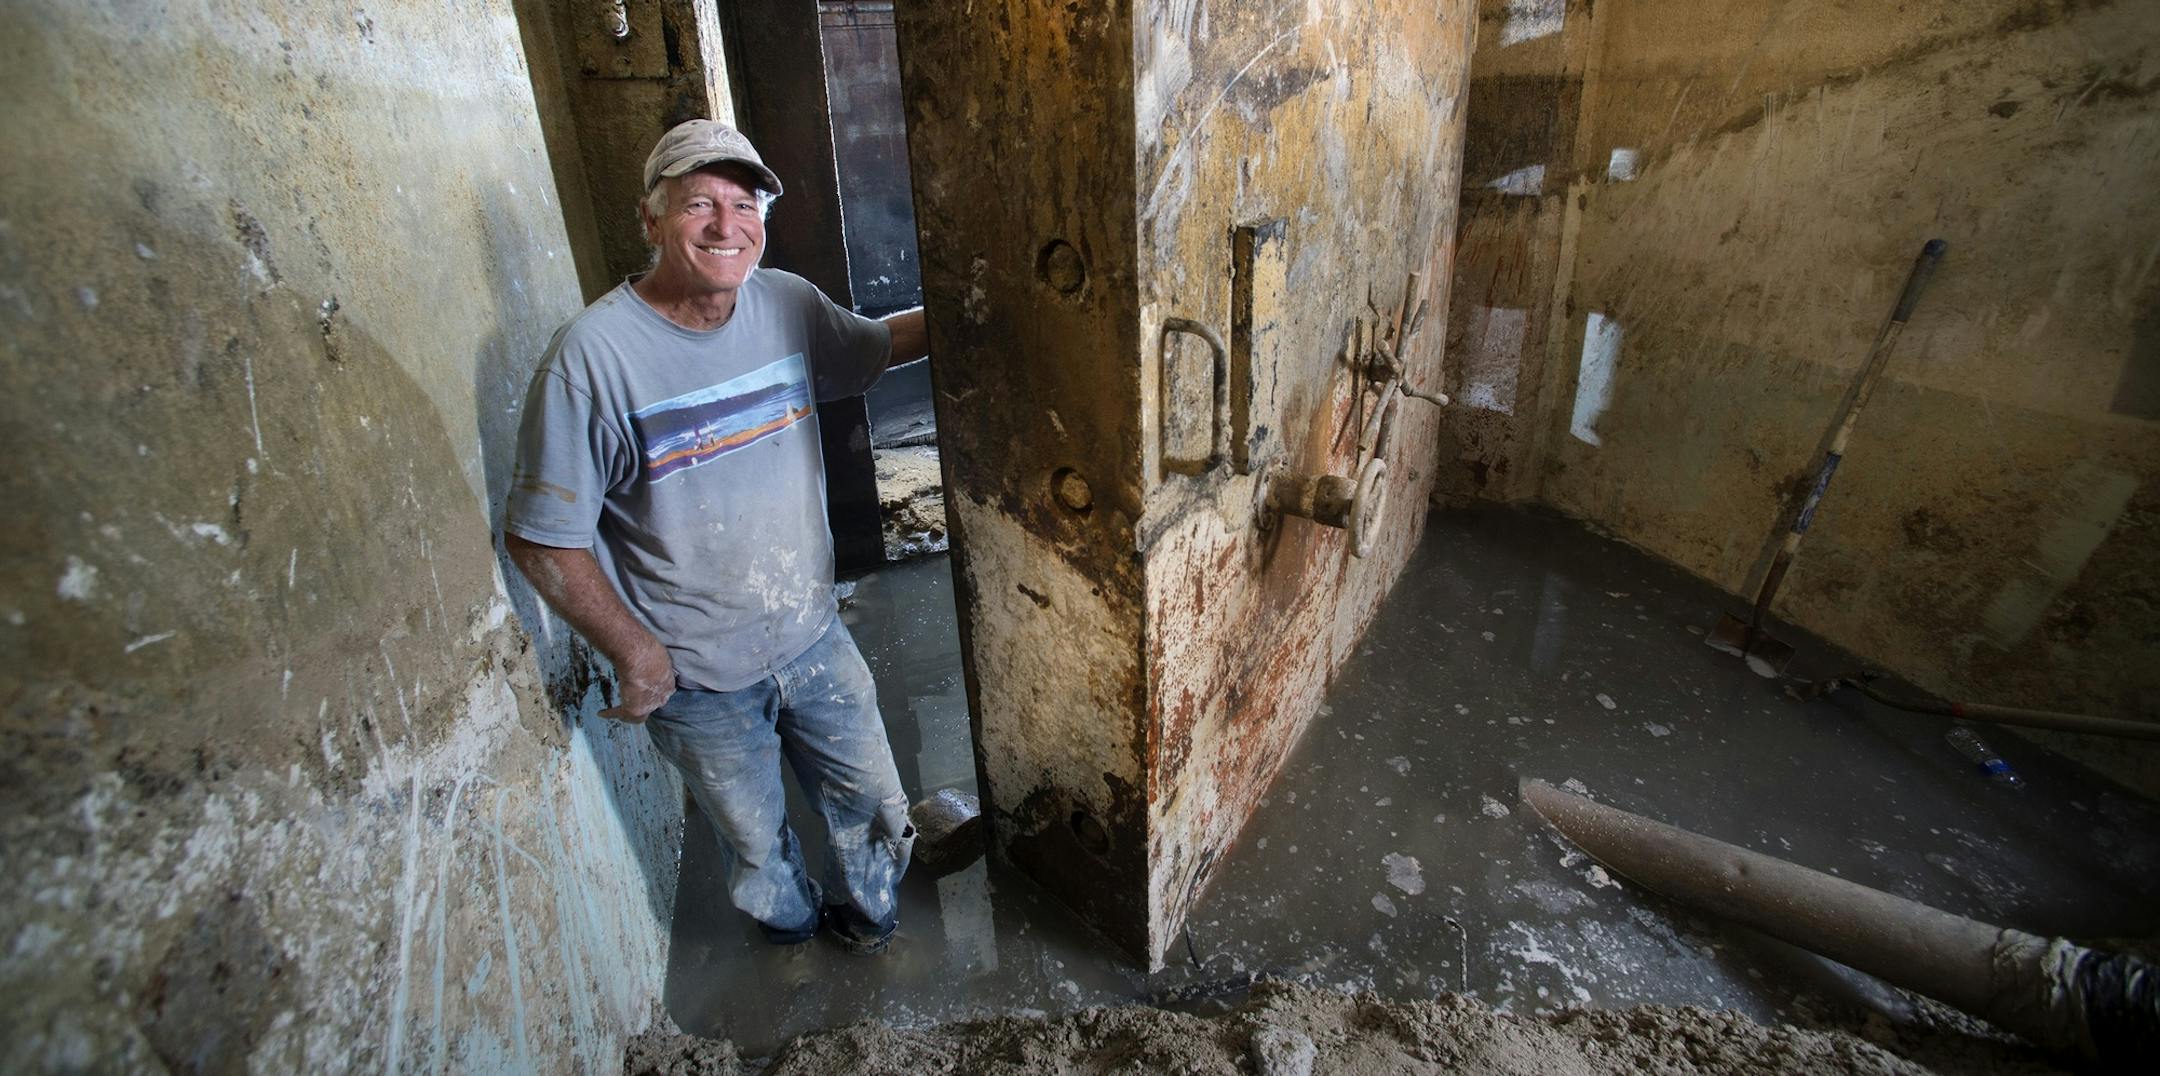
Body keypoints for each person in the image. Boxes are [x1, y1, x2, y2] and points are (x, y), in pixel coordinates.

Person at [502, 118, 929, 955]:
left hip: (812, 634)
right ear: (650, 220)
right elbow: (543, 540)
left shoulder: (786, 304)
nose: (727, 225)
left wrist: (987, 311)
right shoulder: (591, 360)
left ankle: (868, 926)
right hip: (697, 676)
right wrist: (635, 652)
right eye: (699, 202)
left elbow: (876, 350)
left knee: (873, 805)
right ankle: (794, 937)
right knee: (754, 838)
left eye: (744, 203)